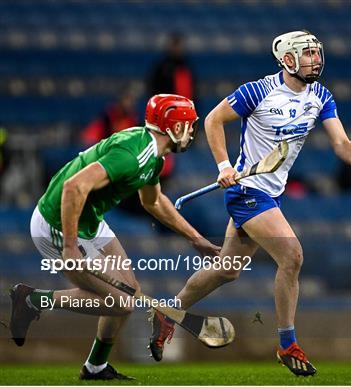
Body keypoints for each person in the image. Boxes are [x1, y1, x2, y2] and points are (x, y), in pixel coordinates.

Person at [148, 30, 351, 376]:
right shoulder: (258, 90)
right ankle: (287, 343)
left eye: (316, 53)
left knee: (226, 269)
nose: (315, 60)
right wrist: (223, 166)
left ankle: (168, 312)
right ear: (288, 59)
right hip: (247, 190)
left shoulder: (320, 96)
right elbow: (214, 120)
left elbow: (341, 142)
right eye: (306, 54)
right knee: (292, 256)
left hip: (269, 193)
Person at [9, 94, 220, 380]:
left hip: (91, 220)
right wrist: (70, 247)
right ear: (174, 127)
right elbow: (73, 188)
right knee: (122, 301)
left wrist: (196, 238)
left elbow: (154, 202)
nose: (192, 131)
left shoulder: (153, 157)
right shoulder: (134, 155)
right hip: (58, 223)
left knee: (128, 290)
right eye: (189, 124)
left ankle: (95, 367)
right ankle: (33, 299)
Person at [147, 34, 195, 99]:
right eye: (175, 45)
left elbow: (193, 89)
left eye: (179, 46)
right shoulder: (161, 67)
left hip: (185, 105)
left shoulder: (187, 66)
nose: (177, 48)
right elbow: (154, 88)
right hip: (167, 105)